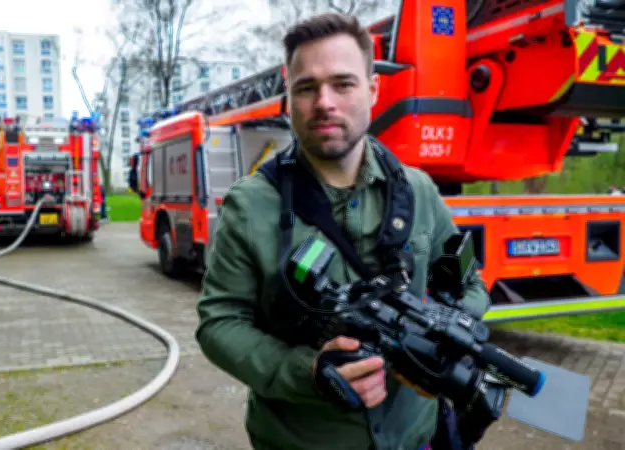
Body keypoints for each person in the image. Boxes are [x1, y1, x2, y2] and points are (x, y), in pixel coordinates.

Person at [195, 12, 492, 450]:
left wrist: (445, 332)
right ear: (289, 97)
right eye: (306, 87)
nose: (324, 102)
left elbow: (471, 285)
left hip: (416, 438)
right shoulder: (250, 205)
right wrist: (309, 372)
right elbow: (220, 323)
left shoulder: (420, 191)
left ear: (373, 90)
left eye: (343, 84)